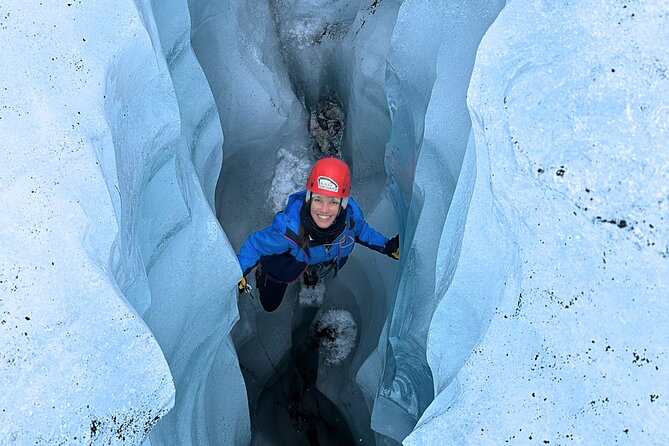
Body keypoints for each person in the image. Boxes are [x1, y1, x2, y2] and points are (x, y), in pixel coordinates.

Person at [237, 157, 399, 312]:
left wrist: (385, 246)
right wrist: (238, 271)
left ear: (343, 204)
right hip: (284, 263)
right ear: (309, 199)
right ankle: (266, 271)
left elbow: (362, 231)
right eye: (318, 200)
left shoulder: (350, 219)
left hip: (318, 257)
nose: (324, 209)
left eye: (333, 201)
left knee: (314, 267)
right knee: (269, 304)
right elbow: (255, 245)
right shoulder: (288, 230)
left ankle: (310, 270)